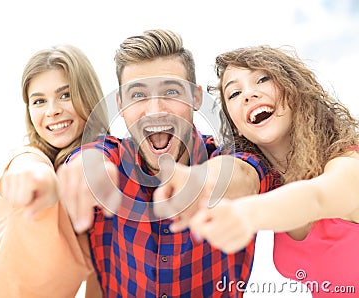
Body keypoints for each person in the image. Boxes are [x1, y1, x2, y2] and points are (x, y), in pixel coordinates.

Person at [58, 29, 278, 298]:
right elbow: (90, 156)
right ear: (120, 103)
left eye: (171, 91)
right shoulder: (111, 157)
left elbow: (244, 175)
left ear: (196, 98)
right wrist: (88, 169)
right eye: (137, 95)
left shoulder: (230, 158)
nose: (155, 110)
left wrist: (200, 181)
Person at [186, 46, 359, 297]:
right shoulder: (270, 185)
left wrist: (243, 215)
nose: (248, 95)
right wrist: (193, 179)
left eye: (263, 79)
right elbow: (233, 173)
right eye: (234, 93)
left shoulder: (348, 160)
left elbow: (317, 198)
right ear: (238, 129)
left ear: (294, 90)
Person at [0, 44, 107, 298]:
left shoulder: (96, 192)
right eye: (39, 101)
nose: (52, 110)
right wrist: (41, 183)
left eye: (65, 95)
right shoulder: (29, 158)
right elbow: (30, 171)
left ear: (88, 96)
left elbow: (99, 287)